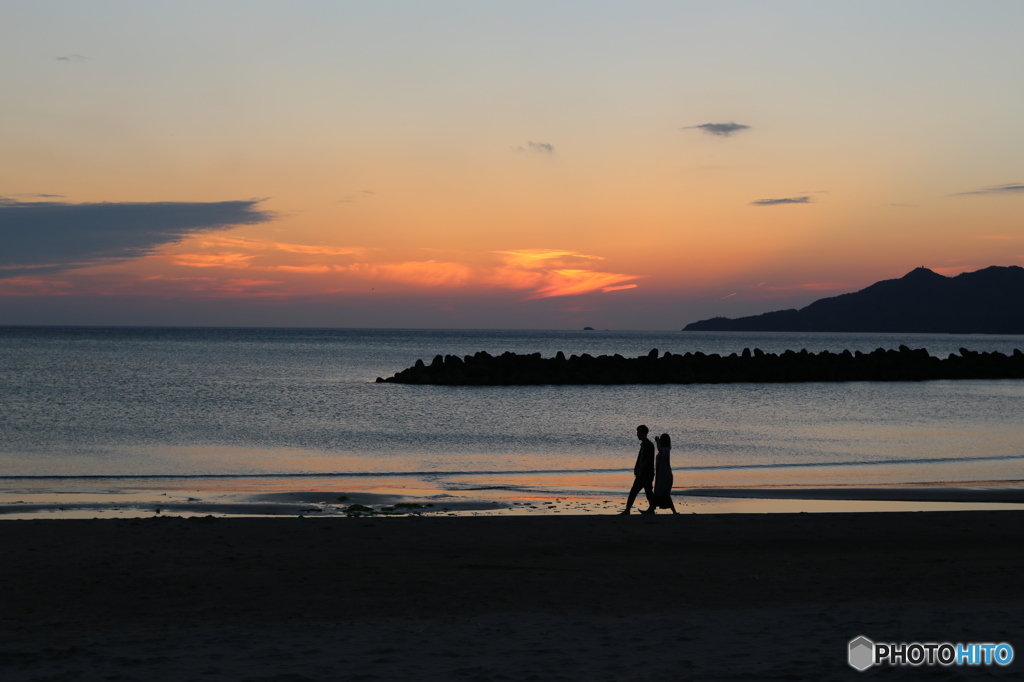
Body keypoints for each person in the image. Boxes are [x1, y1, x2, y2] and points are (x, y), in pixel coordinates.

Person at [619, 425, 655, 514]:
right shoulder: (644, 444)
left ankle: (628, 509)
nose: (638, 434)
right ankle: (651, 509)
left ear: (645, 433)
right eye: (638, 433)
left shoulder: (649, 445)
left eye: (639, 433)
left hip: (646, 473)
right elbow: (641, 459)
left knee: (638, 491)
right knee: (646, 492)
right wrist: (637, 469)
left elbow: (647, 460)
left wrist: (640, 468)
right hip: (644, 473)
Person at [641, 433, 678, 514]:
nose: (660, 440)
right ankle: (652, 509)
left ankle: (672, 511)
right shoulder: (664, 450)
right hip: (661, 475)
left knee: (663, 493)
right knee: (659, 492)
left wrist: (657, 441)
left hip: (665, 475)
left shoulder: (666, 450)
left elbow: (659, 449)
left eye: (661, 439)